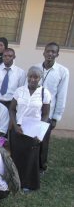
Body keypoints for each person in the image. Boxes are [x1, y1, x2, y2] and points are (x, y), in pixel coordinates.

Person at [9, 66, 51, 191]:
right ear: (27, 77)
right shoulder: (19, 91)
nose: (32, 79)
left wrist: (39, 130)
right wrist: (15, 126)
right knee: (16, 156)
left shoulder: (45, 93)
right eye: (30, 76)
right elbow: (11, 109)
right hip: (19, 129)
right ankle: (14, 181)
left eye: (36, 77)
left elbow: (45, 114)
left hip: (33, 130)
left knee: (30, 158)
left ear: (40, 78)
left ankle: (27, 183)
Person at [35, 42, 69, 173]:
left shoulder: (62, 71)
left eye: (53, 52)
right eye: (48, 51)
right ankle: (30, 164)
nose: (50, 54)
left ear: (57, 54)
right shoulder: (36, 68)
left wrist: (56, 117)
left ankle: (41, 167)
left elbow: (62, 95)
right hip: (33, 111)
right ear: (43, 52)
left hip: (48, 113)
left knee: (43, 141)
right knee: (32, 139)